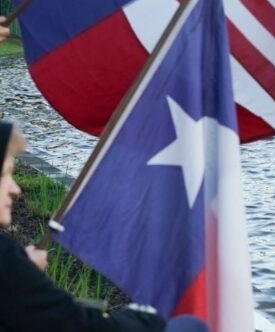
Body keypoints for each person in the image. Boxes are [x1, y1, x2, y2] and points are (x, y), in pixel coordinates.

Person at [0, 121, 168, 331]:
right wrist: (150, 318)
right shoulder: (5, 259)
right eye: (4, 174)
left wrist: (22, 275)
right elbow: (81, 326)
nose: (15, 189)